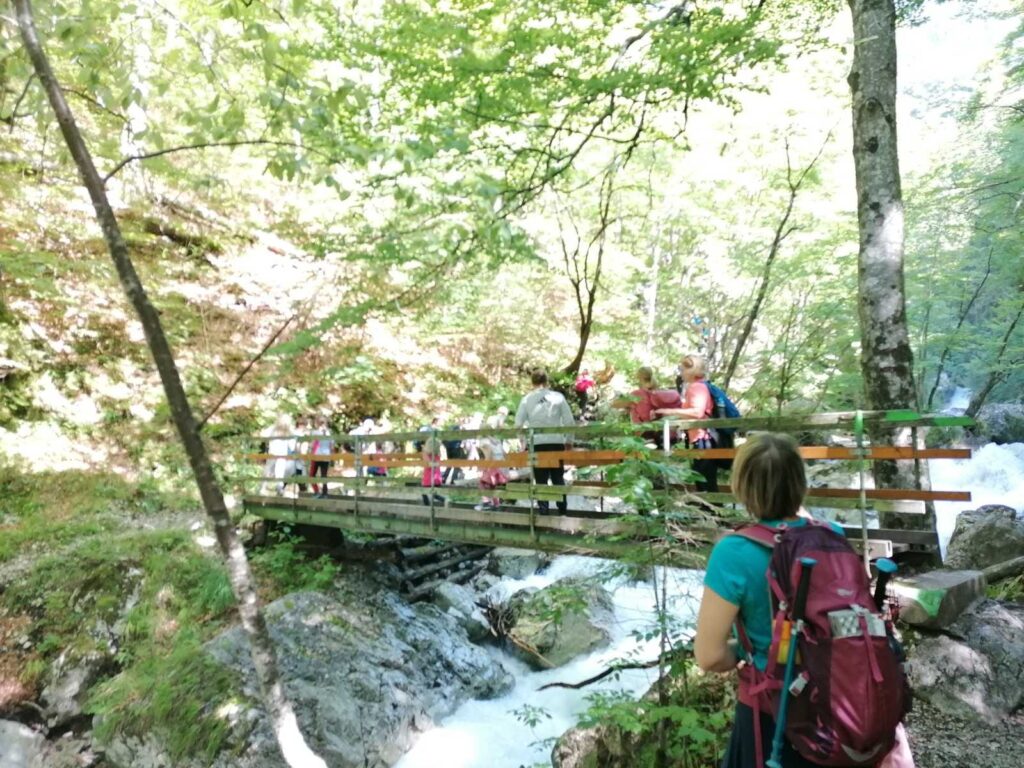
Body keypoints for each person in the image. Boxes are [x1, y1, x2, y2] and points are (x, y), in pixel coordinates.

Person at [694, 433, 830, 767]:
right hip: (835, 702)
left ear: (742, 487)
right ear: (801, 483)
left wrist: (744, 653)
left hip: (773, 713)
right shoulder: (832, 537)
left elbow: (709, 656)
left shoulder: (734, 552)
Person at [514, 368, 576, 513]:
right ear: (546, 381)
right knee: (558, 478)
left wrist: (522, 441)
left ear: (532, 382)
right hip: (556, 443)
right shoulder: (558, 397)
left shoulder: (527, 399)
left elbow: (518, 424)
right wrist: (569, 440)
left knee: (541, 479)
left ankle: (543, 511)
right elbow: (569, 421)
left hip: (537, 444)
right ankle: (562, 511)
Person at [654, 353, 717, 492]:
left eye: (682, 369)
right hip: (701, 438)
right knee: (703, 480)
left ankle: (712, 505)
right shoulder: (699, 386)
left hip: (703, 439)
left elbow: (697, 412)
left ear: (691, 370)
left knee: (705, 481)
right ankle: (709, 505)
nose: (681, 373)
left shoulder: (696, 387)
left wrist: (668, 411)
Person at [420, 425, 446, 506]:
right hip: (437, 478)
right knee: (433, 493)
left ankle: (427, 506)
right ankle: (444, 500)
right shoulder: (437, 455)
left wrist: (424, 452)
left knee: (423, 491)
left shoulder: (427, 455)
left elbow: (429, 463)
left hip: (429, 478)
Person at [309, 414, 333, 498]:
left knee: (312, 475)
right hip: (326, 455)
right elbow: (331, 446)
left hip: (317, 455)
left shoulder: (315, 432)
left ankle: (317, 492)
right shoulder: (329, 433)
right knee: (324, 475)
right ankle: (325, 493)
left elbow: (312, 445)